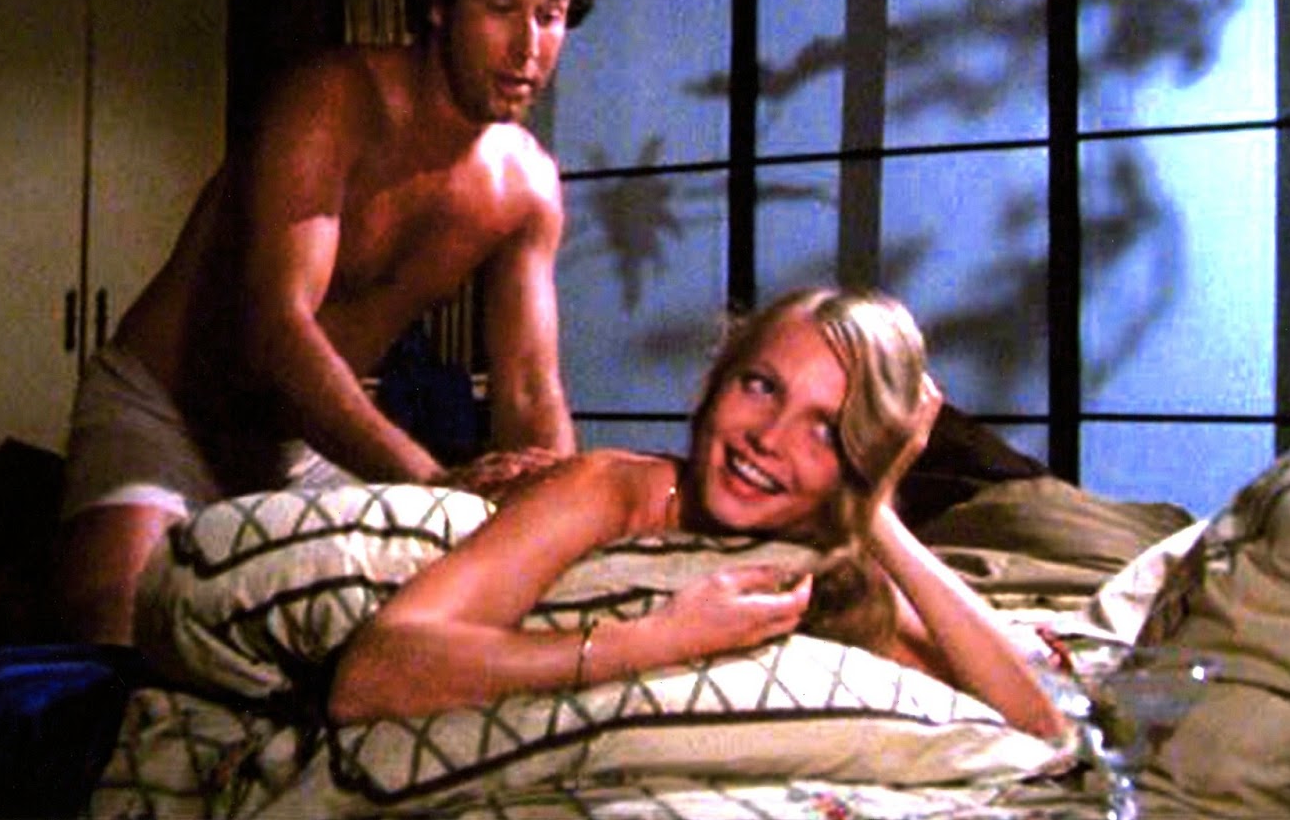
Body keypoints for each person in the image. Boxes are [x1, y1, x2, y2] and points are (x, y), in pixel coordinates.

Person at [47, 0, 597, 646]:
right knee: (114, 642)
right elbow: (277, 331)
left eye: (551, 15)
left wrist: (556, 521)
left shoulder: (528, 186)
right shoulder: (333, 102)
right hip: (167, 413)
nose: (528, 47)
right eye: (502, 7)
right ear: (439, 4)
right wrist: (433, 483)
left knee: (403, 637)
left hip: (300, 450)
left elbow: (530, 388)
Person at [328, 287, 1067, 741]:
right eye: (760, 386)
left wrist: (876, 512)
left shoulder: (818, 549)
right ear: (714, 384)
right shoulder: (610, 491)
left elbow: (1036, 720)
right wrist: (657, 641)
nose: (768, 439)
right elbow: (372, 675)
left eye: (824, 429)